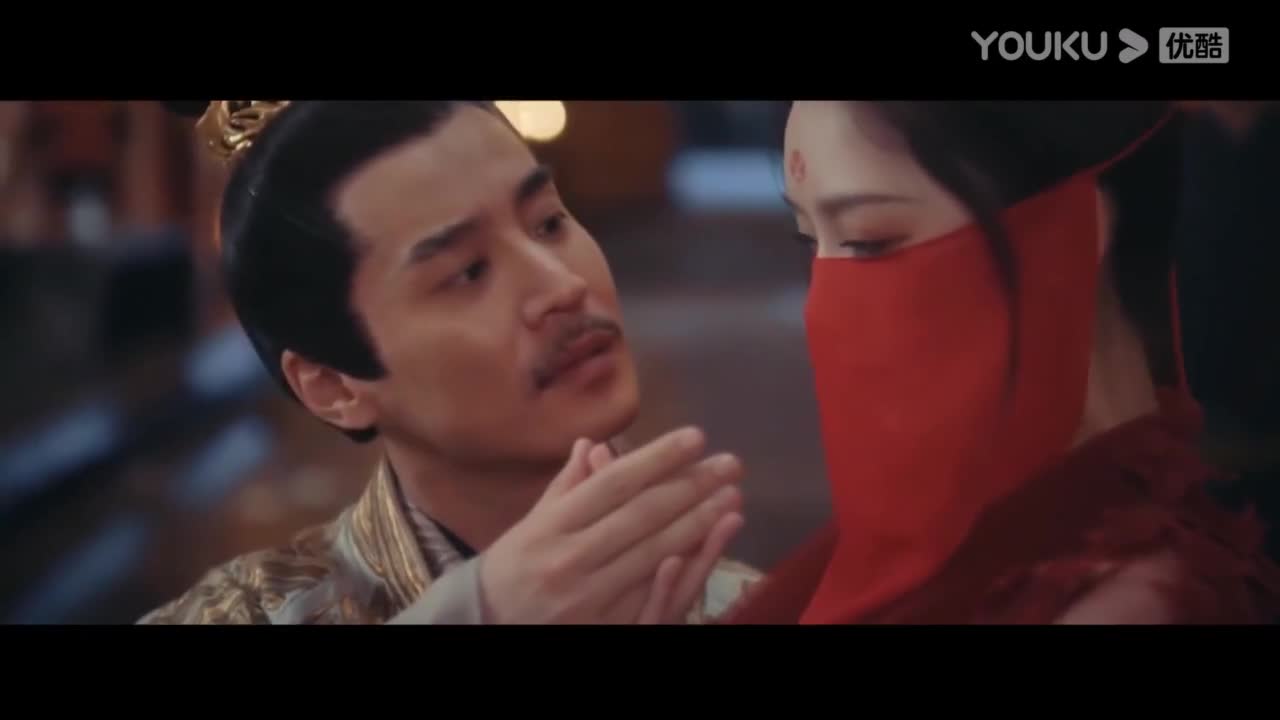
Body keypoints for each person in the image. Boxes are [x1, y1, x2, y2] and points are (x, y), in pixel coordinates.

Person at [140, 101, 760, 625]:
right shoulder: (239, 614)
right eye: (468, 272)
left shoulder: (752, 605)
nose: (562, 286)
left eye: (548, 224)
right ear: (332, 384)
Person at [724, 101, 1280, 624]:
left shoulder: (1126, 599)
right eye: (809, 241)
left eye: (870, 241)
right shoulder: (941, 530)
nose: (823, 304)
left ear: (1071, 227)